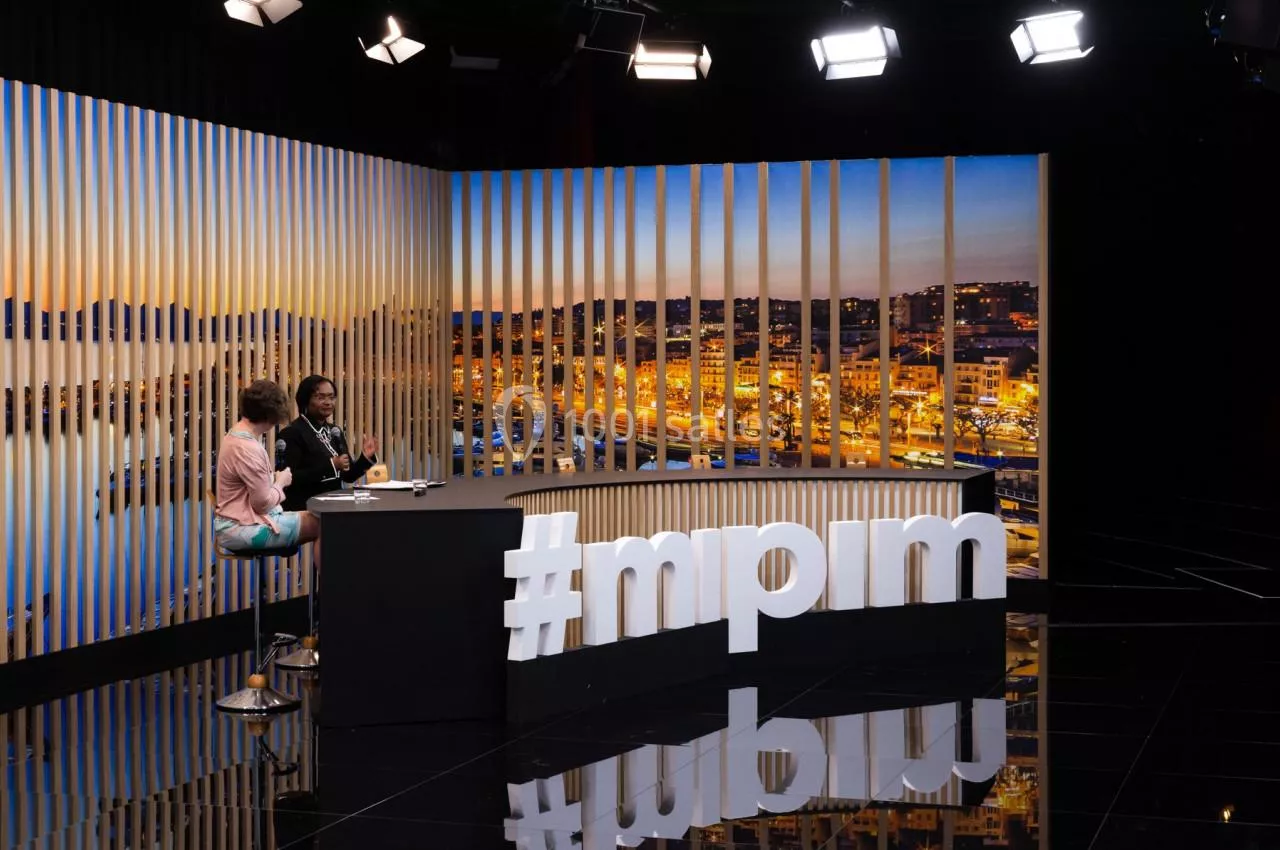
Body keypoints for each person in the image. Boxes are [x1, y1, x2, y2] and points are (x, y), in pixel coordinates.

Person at [214, 380, 320, 553]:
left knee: (317, 520)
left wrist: (271, 479)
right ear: (273, 414)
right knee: (322, 525)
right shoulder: (249, 448)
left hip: (235, 523)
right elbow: (262, 504)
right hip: (241, 528)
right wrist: (281, 482)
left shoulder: (234, 435)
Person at [276, 375, 380, 511]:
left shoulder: (335, 431)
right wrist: (331, 465)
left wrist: (365, 458)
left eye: (331, 397)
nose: (328, 402)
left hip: (335, 507)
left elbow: (348, 476)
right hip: (305, 509)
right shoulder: (292, 432)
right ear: (305, 400)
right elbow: (290, 478)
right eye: (321, 397)